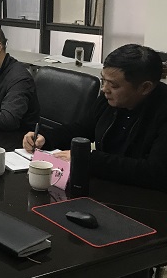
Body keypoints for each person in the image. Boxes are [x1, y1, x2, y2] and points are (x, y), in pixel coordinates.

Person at [23, 44, 167, 192]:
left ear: (145, 87)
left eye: (114, 85)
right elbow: (83, 128)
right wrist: (46, 138)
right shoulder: (109, 100)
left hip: (143, 197)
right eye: (103, 80)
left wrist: (88, 159)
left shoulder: (161, 111)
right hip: (106, 185)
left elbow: (155, 172)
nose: (104, 89)